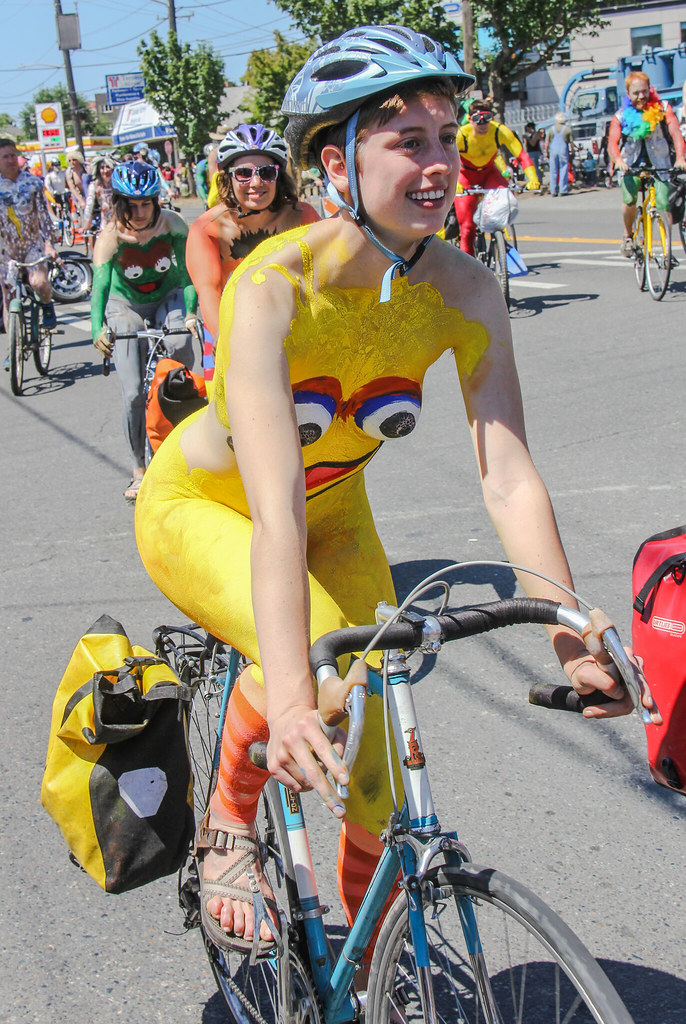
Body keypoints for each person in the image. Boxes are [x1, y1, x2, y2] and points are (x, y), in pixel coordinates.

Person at [134, 25, 658, 958]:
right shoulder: (274, 289)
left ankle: (379, 969)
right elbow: (276, 503)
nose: (438, 161)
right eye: (406, 141)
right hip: (211, 510)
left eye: (448, 137)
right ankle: (227, 821)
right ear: (338, 161)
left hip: (336, 517)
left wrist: (574, 637)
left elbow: (507, 475)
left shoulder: (464, 288)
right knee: (326, 680)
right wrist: (292, 693)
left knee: (380, 743)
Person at [90, 160, 198, 501]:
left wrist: (192, 312)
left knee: (181, 346)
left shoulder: (173, 224)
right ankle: (139, 468)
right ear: (121, 204)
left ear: (156, 201)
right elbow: (100, 289)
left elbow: (187, 276)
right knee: (134, 391)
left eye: (146, 203)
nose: (139, 212)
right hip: (126, 306)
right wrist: (98, 330)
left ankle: (185, 448)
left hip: (168, 296)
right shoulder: (110, 237)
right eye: (132, 205)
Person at [185, 124, 319, 379]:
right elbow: (209, 292)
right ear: (228, 177)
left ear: (278, 176)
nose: (256, 182)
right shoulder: (208, 228)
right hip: (230, 330)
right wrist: (226, 345)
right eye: (244, 173)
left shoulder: (303, 216)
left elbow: (321, 281)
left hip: (293, 331)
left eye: (266, 172)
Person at [608, 70, 686, 256]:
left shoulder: (662, 108)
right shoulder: (621, 116)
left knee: (663, 202)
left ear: (650, 89)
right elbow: (612, 141)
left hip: (660, 162)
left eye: (644, 91)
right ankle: (628, 235)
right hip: (630, 164)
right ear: (628, 94)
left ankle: (667, 250)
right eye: (636, 93)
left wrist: (680, 157)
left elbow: (675, 133)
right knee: (629, 198)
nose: (641, 96)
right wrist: (618, 160)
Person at [454, 99, 540, 255]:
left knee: (505, 203)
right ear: (469, 119)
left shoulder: (499, 130)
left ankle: (499, 243)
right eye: (477, 119)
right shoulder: (461, 134)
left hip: (489, 172)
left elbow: (521, 155)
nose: (482, 124)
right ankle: (467, 265)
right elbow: (446, 158)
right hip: (465, 175)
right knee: (467, 228)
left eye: (487, 118)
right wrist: (453, 182)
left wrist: (533, 178)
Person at [0, 137, 57, 340]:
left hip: (32, 246)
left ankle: (47, 304)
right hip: (6, 251)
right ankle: (13, 348)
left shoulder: (32, 182)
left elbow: (44, 215)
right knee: (7, 297)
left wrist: (49, 244)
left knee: (39, 283)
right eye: (5, 156)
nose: (10, 160)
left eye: (13, 155)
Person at [83, 155, 116, 236]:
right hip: (105, 223)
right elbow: (89, 205)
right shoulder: (94, 185)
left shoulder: (118, 184)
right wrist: (86, 223)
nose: (105, 171)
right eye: (102, 168)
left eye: (108, 167)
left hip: (119, 222)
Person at [545, 112, 574, 197]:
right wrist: (573, 151)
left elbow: (547, 143)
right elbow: (571, 143)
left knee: (553, 171)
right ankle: (563, 190)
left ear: (556, 120)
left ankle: (553, 191)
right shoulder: (567, 129)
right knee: (563, 169)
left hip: (553, 151)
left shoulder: (551, 129)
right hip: (563, 150)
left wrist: (546, 152)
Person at [65, 150, 88, 217]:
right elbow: (72, 189)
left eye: (74, 160)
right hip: (79, 196)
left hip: (90, 193)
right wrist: (81, 201)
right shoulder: (69, 172)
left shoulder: (86, 168)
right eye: (69, 160)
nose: (72, 162)